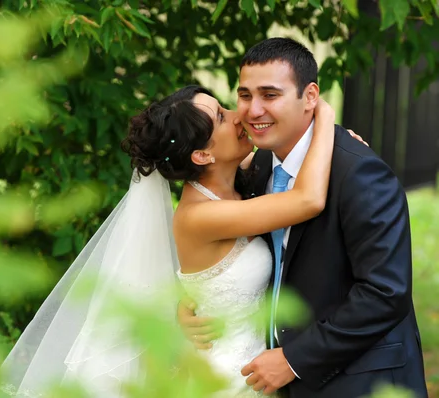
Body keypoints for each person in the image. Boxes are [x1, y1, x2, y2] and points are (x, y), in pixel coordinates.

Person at [0, 83, 352, 398]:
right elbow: (307, 200)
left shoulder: (232, 182)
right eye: (221, 117)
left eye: (223, 106)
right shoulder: (199, 216)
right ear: (203, 154)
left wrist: (344, 152)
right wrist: (323, 119)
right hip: (224, 381)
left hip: (252, 371)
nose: (238, 115)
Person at [179, 38, 428, 398]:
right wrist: (194, 301)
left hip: (358, 380)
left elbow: (385, 293)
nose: (252, 110)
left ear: (310, 97)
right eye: (245, 95)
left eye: (270, 94)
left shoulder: (359, 173)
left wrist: (294, 359)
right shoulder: (257, 166)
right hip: (268, 377)